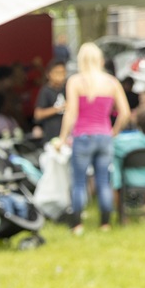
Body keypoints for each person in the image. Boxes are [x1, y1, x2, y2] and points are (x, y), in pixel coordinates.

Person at [57, 41, 131, 234]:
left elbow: (71, 113)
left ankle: (77, 224)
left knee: (80, 182)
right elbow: (125, 113)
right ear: (100, 60)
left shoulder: (76, 81)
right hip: (104, 136)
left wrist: (62, 137)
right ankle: (105, 223)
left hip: (82, 136)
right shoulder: (111, 82)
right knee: (103, 181)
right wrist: (113, 131)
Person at [32, 60, 68, 141]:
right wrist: (59, 108)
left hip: (66, 135)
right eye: (57, 72)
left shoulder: (67, 88)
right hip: (51, 135)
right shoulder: (46, 91)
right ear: (49, 74)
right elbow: (38, 114)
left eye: (63, 72)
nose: (61, 75)